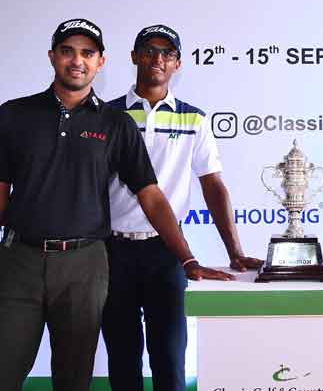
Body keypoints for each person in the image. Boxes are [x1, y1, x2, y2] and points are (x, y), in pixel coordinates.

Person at [0, 19, 231, 391]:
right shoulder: (14, 114)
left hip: (85, 264)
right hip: (18, 261)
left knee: (75, 381)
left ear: (100, 62)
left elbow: (150, 195)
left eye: (87, 53)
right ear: (52, 56)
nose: (77, 61)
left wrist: (186, 258)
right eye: (68, 51)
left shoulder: (116, 123)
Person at [103, 23, 262, 391]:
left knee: (170, 359)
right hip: (111, 251)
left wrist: (234, 252)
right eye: (149, 50)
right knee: (122, 359)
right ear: (133, 57)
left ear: (177, 64)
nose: (158, 58)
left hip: (167, 251)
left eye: (167, 53)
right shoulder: (107, 116)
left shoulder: (194, 118)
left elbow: (213, 185)